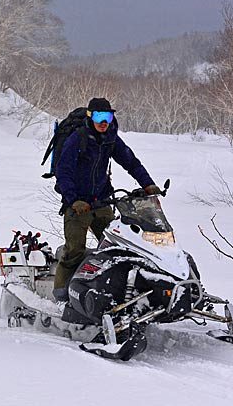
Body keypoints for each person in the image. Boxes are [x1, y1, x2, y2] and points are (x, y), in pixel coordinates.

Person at [53, 97, 161, 301]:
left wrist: (148, 184)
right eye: (99, 116)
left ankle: (106, 291)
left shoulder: (111, 138)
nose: (104, 122)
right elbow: (63, 171)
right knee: (74, 249)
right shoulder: (78, 138)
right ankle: (61, 295)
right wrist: (73, 199)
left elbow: (131, 162)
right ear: (90, 116)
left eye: (108, 116)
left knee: (115, 247)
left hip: (102, 201)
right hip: (78, 205)